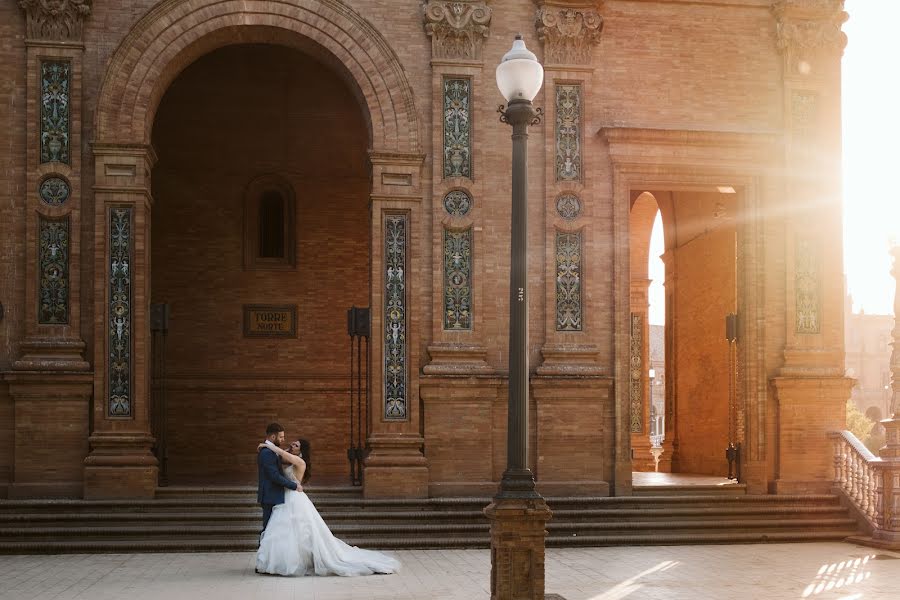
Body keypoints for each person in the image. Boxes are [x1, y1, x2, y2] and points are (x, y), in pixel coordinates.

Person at [255, 438, 400, 577]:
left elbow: (282, 454)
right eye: (293, 444)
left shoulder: (300, 461)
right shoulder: (292, 460)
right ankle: (283, 561)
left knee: (298, 532)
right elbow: (280, 457)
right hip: (286, 499)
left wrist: (268, 445)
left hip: (294, 500)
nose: (292, 445)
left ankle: (294, 562)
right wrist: (278, 448)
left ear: (302, 451)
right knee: (287, 532)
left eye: (296, 445)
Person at [257, 423, 299, 532]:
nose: (283, 439)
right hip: (270, 496)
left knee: (273, 529)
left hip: (273, 495)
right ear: (272, 437)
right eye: (281, 437)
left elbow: (282, 456)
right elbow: (274, 476)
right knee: (268, 529)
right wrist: (294, 486)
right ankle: (263, 549)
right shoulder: (267, 453)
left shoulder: (271, 450)